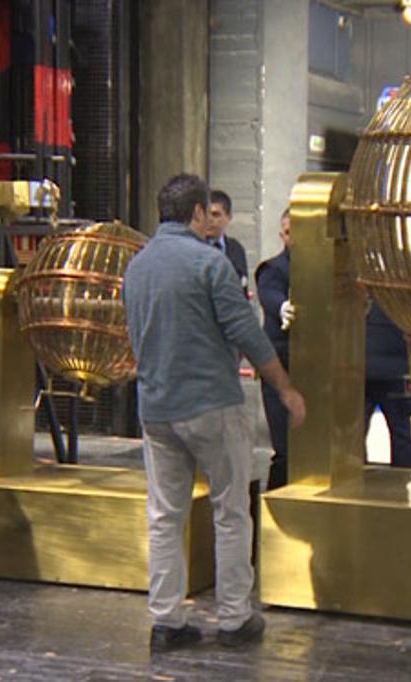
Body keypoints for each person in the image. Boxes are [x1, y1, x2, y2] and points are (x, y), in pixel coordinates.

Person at [123, 175, 305, 653]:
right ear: (199, 214)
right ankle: (234, 618)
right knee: (229, 510)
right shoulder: (211, 263)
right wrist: (284, 388)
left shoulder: (136, 267)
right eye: (209, 213)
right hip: (211, 406)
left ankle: (165, 621)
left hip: (156, 408)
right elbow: (247, 332)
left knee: (164, 515)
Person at [255, 208, 293, 490]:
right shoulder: (274, 269)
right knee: (284, 451)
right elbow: (269, 294)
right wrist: (283, 308)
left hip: (315, 371)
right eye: (288, 232)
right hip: (281, 367)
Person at [364, 299, 411, 468]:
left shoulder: (357, 292)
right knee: (400, 431)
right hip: (396, 372)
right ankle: (403, 476)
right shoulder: (399, 294)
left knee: (354, 432)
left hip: (359, 371)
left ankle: (353, 476)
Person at [206, 190, 251, 298]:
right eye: (206, 214)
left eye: (215, 215)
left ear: (228, 217)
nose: (209, 220)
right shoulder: (193, 246)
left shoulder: (236, 249)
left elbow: (242, 283)